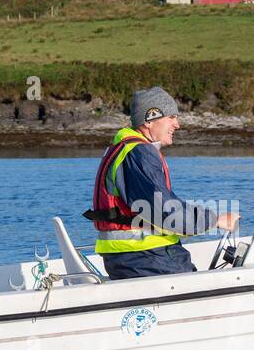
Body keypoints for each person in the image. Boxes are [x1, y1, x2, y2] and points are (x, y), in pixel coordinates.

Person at [85, 87, 240, 280]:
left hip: (133, 257)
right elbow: (164, 208)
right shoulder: (140, 154)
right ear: (149, 120)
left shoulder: (124, 147)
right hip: (146, 257)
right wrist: (215, 220)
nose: (177, 125)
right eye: (171, 117)